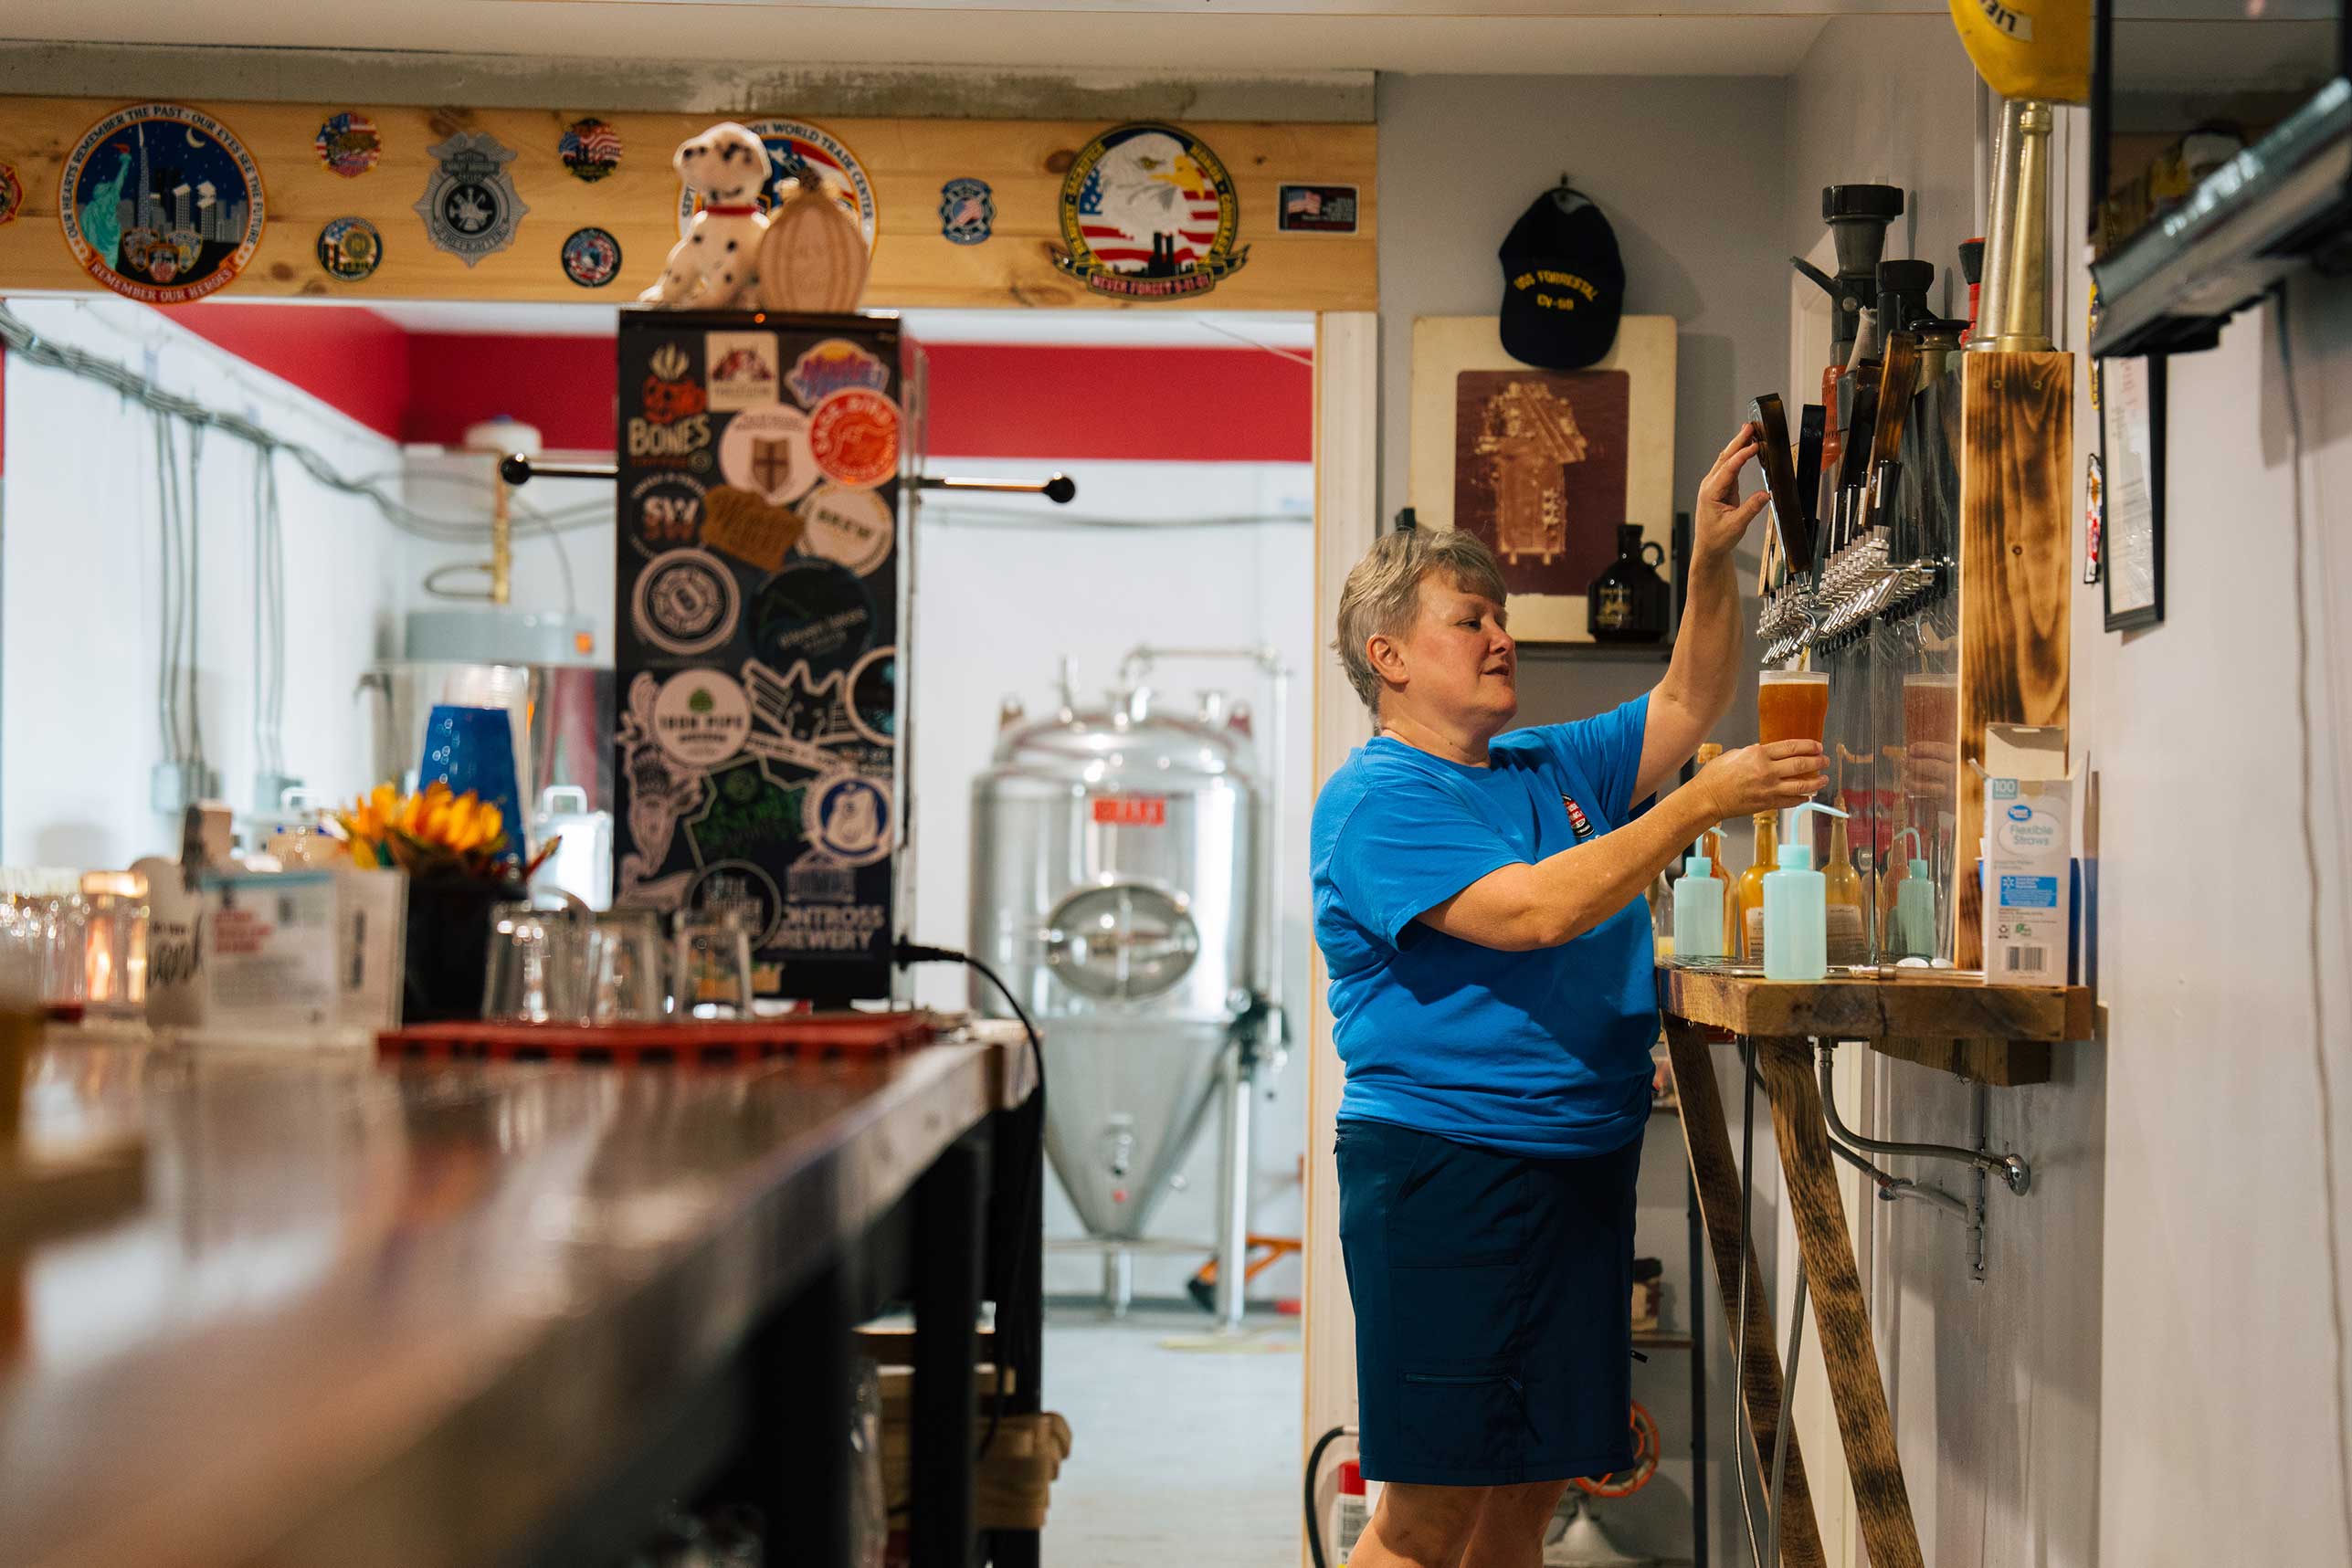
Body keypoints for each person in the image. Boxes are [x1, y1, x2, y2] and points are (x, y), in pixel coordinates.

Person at [1312, 426, 1826, 1568]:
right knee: (1424, 1518)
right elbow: (1534, 912)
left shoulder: (1546, 764)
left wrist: (1707, 565)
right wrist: (1695, 809)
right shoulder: (1378, 803)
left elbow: (1689, 699)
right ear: (1388, 656)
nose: (1503, 636)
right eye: (1471, 620)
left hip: (1576, 1170)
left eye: (1499, 617)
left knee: (1527, 1494)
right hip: (1449, 1176)